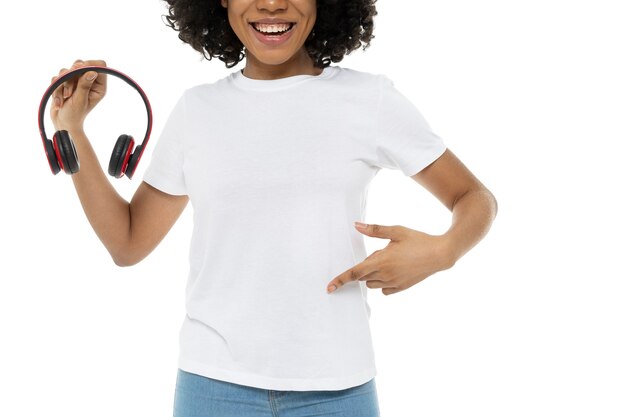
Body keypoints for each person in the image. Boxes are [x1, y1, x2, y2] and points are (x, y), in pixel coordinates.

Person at [49, 0, 497, 415]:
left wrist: (444, 251)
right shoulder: (197, 110)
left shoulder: (369, 100)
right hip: (213, 386)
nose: (271, 4)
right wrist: (72, 130)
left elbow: (474, 197)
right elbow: (128, 243)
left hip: (338, 388)